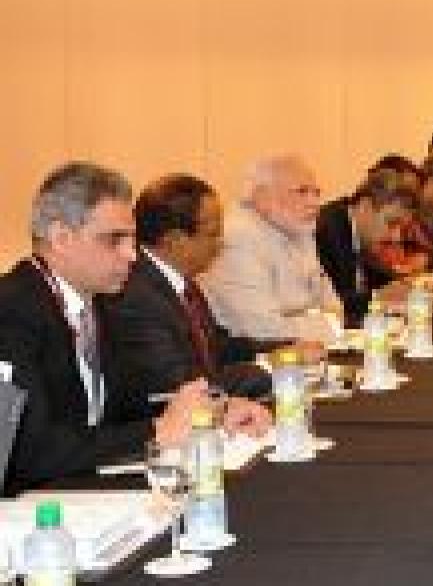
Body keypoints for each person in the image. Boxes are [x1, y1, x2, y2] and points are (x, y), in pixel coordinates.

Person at [0, 163, 270, 495]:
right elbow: (29, 452)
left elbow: (130, 401)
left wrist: (213, 411)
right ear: (61, 238)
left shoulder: (99, 303)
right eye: (115, 240)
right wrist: (158, 430)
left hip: (86, 488)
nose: (131, 255)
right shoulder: (11, 311)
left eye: (132, 239)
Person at [103, 174, 313, 400]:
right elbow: (183, 386)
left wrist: (285, 348)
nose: (220, 244)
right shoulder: (136, 298)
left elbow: (217, 347)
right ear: (175, 241)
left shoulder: (182, 283)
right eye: (212, 234)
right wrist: (272, 366)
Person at [201, 155, 340, 342]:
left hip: (303, 349)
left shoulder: (298, 228)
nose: (314, 203)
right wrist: (323, 322)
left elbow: (335, 308)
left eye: (316, 193)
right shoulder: (238, 237)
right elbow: (265, 330)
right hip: (255, 354)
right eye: (302, 192)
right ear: (263, 197)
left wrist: (312, 319)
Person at [315, 168, 423, 327]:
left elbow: (375, 276)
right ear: (365, 206)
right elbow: (329, 306)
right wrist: (376, 297)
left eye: (402, 228)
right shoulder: (325, 231)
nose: (397, 237)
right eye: (392, 223)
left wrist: (399, 285)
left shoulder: (356, 229)